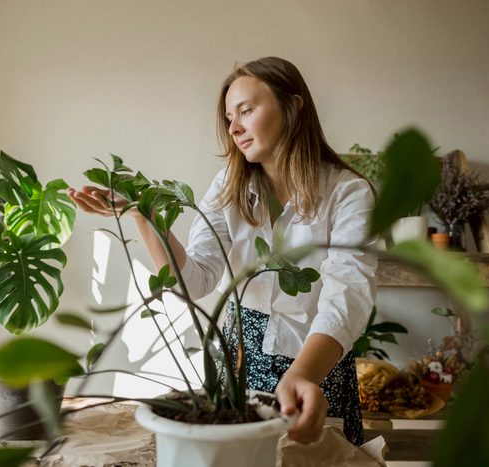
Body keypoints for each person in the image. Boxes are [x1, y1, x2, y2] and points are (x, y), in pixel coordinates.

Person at [67, 56, 376, 446]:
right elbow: (193, 283)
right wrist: (143, 215)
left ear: (294, 107)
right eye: (230, 117)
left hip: (316, 368)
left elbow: (345, 297)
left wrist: (301, 377)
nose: (234, 127)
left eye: (246, 110)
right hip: (237, 366)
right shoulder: (227, 187)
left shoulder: (348, 193)